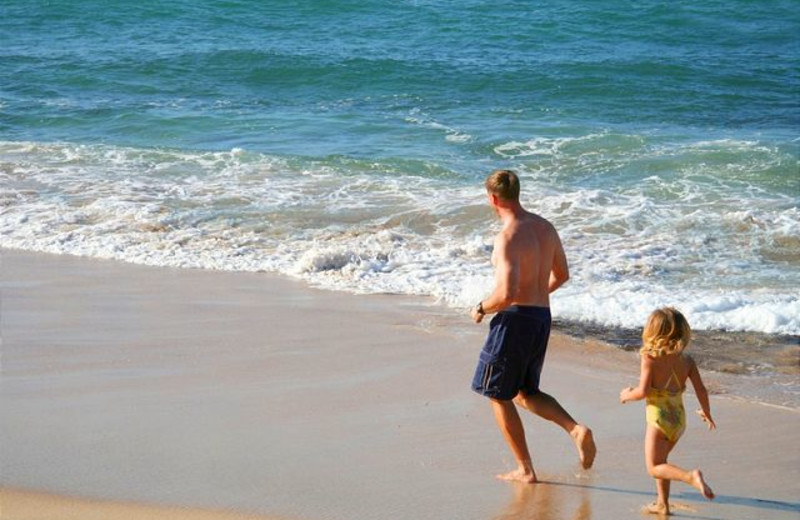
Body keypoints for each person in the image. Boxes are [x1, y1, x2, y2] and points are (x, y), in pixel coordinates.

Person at [470, 169, 596, 483]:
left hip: (514, 321)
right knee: (526, 392)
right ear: (518, 193)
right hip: (541, 317)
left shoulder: (508, 236)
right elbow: (562, 275)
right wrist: (537, 295)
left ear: (493, 199)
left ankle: (525, 469)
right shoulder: (545, 227)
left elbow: (506, 294)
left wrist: (481, 308)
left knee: (498, 394)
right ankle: (575, 429)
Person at [620, 307, 716, 515]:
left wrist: (626, 394)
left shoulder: (650, 359)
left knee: (653, 466)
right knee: (661, 462)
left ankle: (690, 477)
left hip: (659, 420)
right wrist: (706, 413)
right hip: (679, 420)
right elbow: (701, 389)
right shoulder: (687, 361)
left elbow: (643, 391)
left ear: (652, 332)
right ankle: (663, 504)